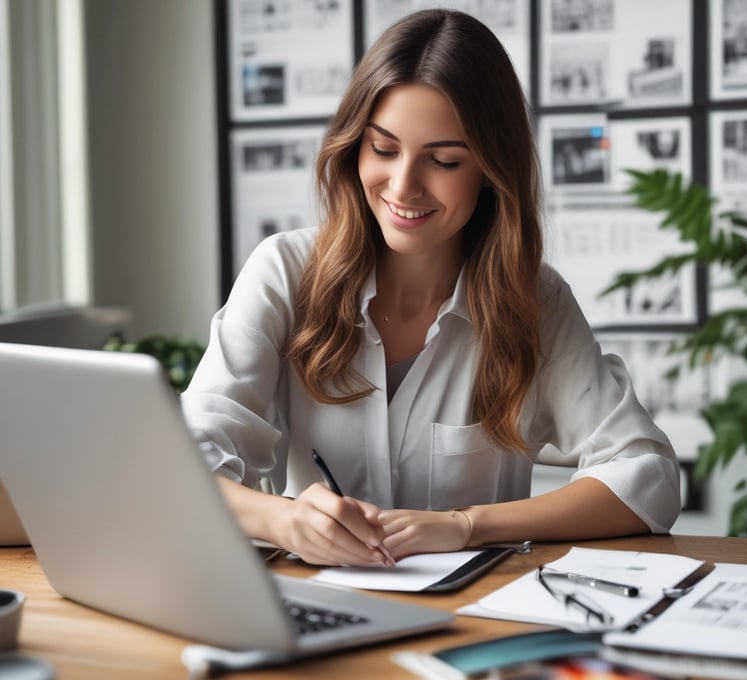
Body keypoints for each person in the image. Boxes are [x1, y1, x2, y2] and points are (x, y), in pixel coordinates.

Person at [181, 9, 680, 567]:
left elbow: (648, 475)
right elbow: (186, 463)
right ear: (354, 148)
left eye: (443, 161)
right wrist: (286, 521)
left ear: (490, 170)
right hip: (315, 612)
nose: (403, 186)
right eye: (384, 150)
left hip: (476, 617)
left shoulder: (535, 300)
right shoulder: (284, 271)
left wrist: (466, 526)